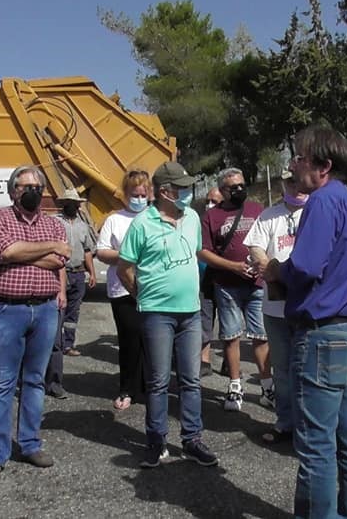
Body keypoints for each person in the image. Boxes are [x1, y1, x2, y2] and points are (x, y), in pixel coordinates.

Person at [263, 126, 347, 518]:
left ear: (324, 166)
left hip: (323, 336)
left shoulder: (323, 202)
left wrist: (277, 270)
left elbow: (308, 265)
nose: (293, 165)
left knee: (315, 447)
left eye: (299, 157)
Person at [117, 161, 218, 469]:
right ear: (165, 191)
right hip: (157, 314)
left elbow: (195, 254)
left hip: (190, 312)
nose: (189, 192)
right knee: (159, 381)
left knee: (191, 380)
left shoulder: (192, 218)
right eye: (183, 187)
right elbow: (124, 269)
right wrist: (142, 296)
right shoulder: (142, 223)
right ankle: (156, 440)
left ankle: (192, 440)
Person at [0, 166, 69, 486]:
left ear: (44, 190)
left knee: (34, 381)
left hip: (44, 310)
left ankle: (30, 443)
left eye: (36, 186)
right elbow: (5, 249)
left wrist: (20, 255)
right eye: (23, 185)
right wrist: (43, 249)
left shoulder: (53, 224)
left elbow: (60, 260)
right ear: (12, 190)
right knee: (3, 383)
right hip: (7, 310)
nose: (30, 190)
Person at [199, 168, 270, 412]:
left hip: (256, 284)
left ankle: (267, 386)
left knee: (261, 337)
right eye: (233, 187)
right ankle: (235, 385)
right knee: (230, 337)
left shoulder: (256, 210)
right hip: (227, 285)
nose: (239, 189)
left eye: (242, 184)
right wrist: (234, 267)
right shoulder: (212, 216)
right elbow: (204, 252)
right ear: (222, 190)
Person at [244, 171, 307, 445]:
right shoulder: (269, 215)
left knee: (307, 369)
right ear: (283, 183)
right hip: (276, 305)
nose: (295, 185)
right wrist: (272, 270)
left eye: (298, 179)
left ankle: (309, 426)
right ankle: (286, 422)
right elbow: (255, 247)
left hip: (307, 305)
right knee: (282, 368)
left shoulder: (318, 210)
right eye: (290, 180)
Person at [96, 170, 151, 410]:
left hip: (154, 289)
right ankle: (127, 388)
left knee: (152, 341)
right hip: (123, 289)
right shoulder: (114, 220)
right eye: (134, 194)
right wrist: (127, 256)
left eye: (143, 194)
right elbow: (102, 251)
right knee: (129, 340)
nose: (139, 198)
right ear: (126, 194)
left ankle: (151, 387)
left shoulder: (156, 217)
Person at [45, 188, 97, 399]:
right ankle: (55, 345)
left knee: (73, 313)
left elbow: (87, 251)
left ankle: (68, 343)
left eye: (75, 203)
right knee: (58, 312)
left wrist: (92, 272)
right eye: (68, 202)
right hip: (60, 273)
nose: (72, 206)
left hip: (77, 273)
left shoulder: (83, 226)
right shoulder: (55, 222)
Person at [199, 187, 222, 376]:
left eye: (214, 201)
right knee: (205, 319)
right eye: (208, 200)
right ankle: (204, 359)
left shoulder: (226, 221)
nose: (209, 204)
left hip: (225, 278)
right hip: (203, 279)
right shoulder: (199, 222)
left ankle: (230, 362)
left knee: (229, 322)